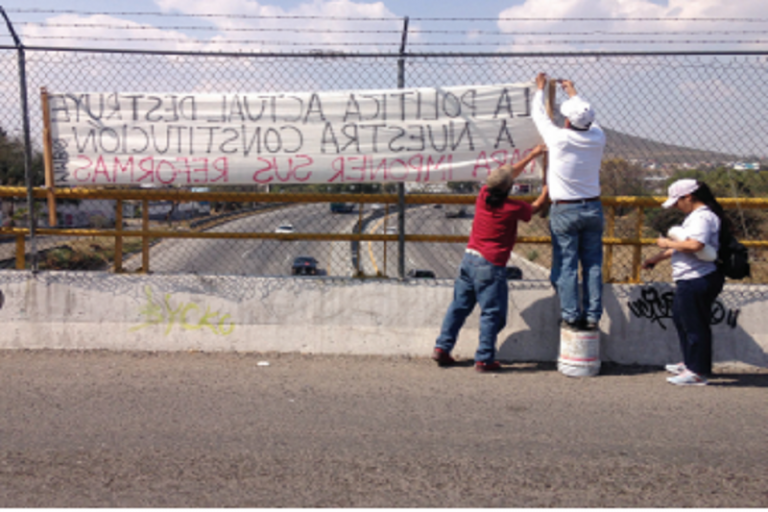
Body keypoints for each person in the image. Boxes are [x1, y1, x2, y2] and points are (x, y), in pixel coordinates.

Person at [432, 145, 549, 372]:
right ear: (509, 189)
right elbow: (537, 206)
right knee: (492, 314)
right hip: (490, 265)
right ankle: (484, 358)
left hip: (469, 259)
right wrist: (547, 186)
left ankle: (442, 347)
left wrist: (532, 155)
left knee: (458, 307)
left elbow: (507, 175)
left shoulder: (483, 195)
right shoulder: (512, 207)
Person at [531, 73, 606, 331]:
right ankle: (594, 314)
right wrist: (574, 92)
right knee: (593, 264)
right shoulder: (598, 137)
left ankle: (571, 315)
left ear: (567, 121)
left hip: (565, 209)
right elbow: (587, 119)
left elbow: (538, 115)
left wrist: (540, 90)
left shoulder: (559, 139)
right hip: (593, 207)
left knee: (567, 265)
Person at [642, 179, 726, 386]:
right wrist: (657, 258)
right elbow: (685, 246)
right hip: (691, 278)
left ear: (688, 197)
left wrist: (666, 242)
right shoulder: (696, 217)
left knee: (694, 324)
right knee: (684, 320)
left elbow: (695, 245)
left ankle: (696, 371)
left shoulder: (702, 218)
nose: (676, 206)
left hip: (697, 278)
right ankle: (690, 362)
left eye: (677, 201)